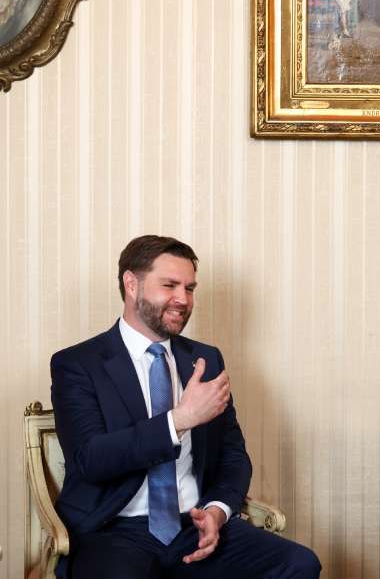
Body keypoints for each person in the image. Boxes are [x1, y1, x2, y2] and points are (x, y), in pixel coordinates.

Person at [50, 235, 322, 579]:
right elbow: (89, 459)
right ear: (131, 284)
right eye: (170, 285)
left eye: (190, 288)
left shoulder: (205, 358)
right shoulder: (78, 364)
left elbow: (233, 455)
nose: (183, 299)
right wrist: (179, 420)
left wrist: (217, 511)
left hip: (193, 526)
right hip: (114, 530)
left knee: (300, 564)